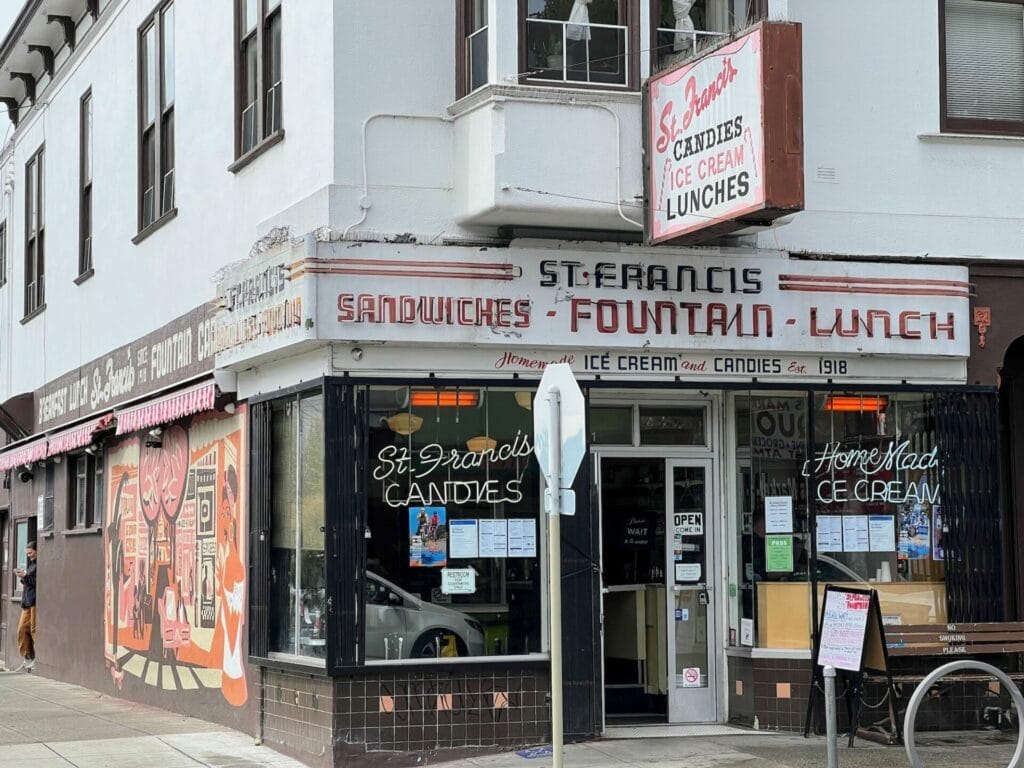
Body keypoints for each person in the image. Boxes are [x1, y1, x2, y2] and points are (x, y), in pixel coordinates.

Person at [14, 541, 37, 672]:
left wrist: (26, 576)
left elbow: (37, 582)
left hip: (34, 601)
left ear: (37, 551)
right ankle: (27, 657)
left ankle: (37, 659)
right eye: (27, 553)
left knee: (34, 630)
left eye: (31, 552)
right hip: (26, 601)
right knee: (21, 629)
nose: (29, 555)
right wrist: (23, 576)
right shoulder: (32, 564)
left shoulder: (39, 564)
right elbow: (29, 581)